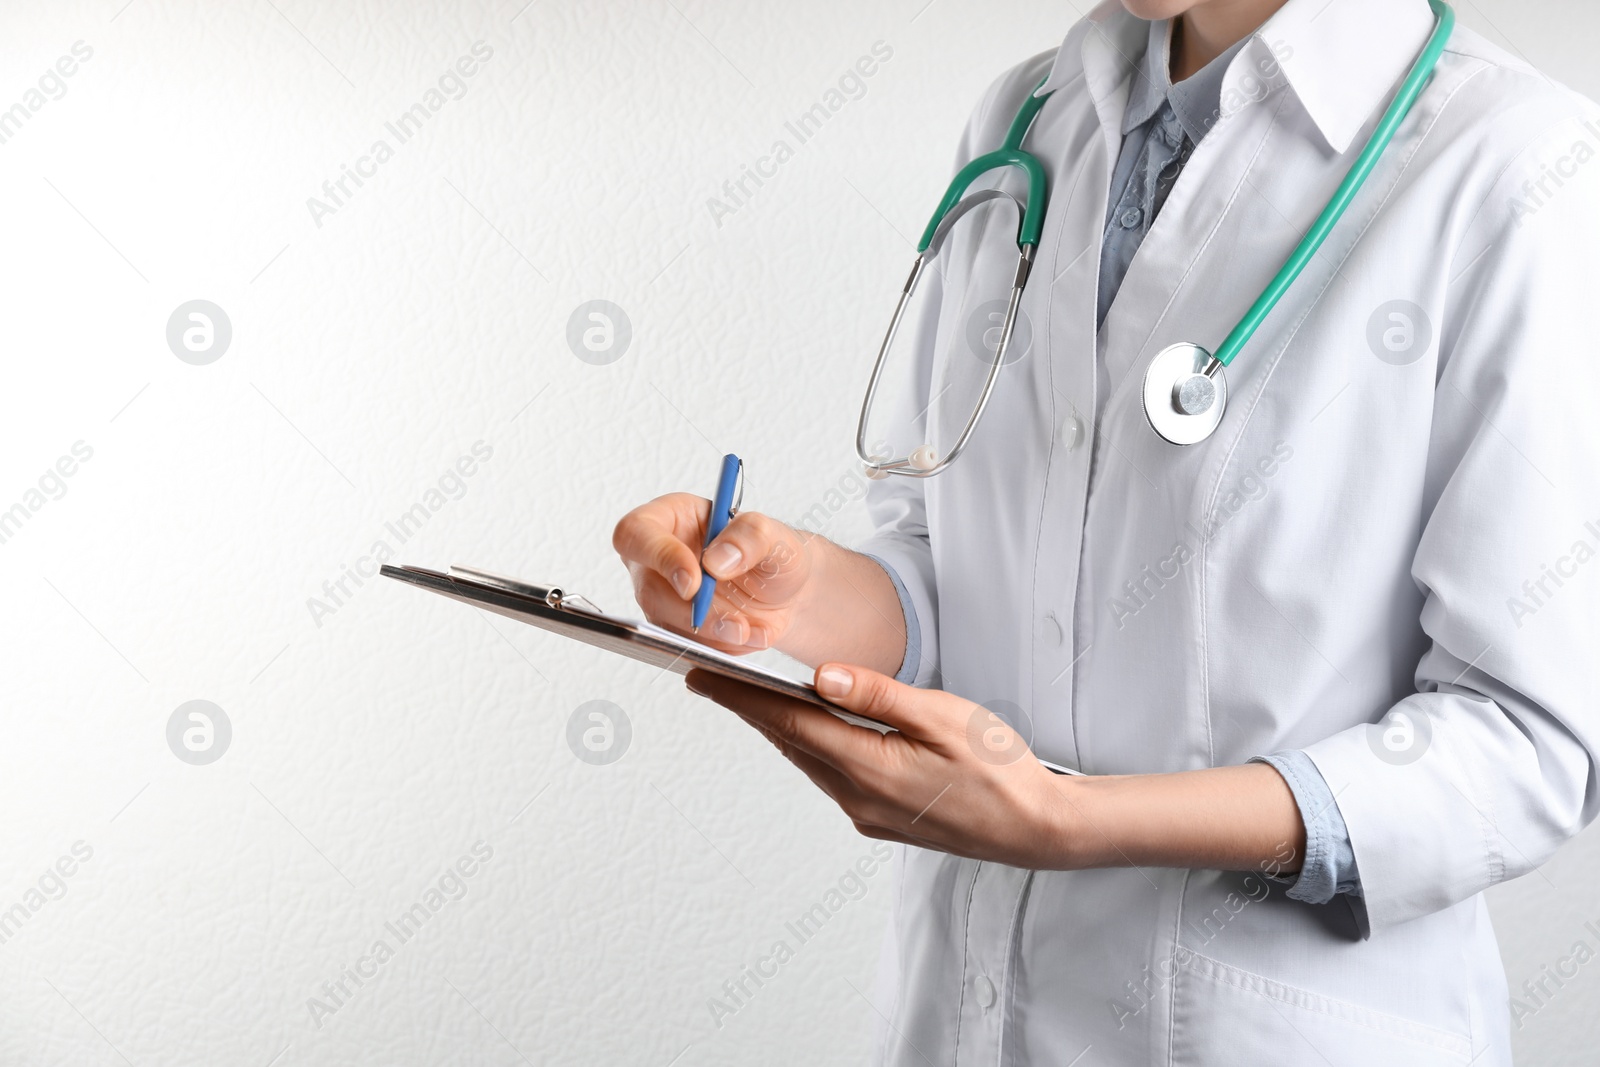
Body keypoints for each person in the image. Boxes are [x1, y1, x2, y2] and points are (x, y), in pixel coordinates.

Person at [613, 0, 1600, 1060]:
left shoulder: (1521, 166)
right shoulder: (1028, 115)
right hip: (964, 1017)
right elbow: (966, 576)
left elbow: (1525, 742)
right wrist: (797, 592)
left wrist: (1073, 822)